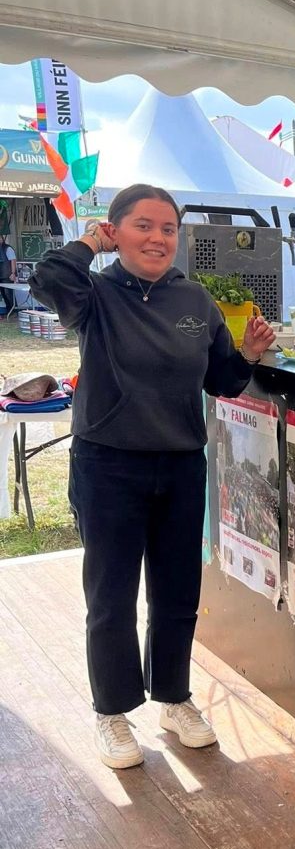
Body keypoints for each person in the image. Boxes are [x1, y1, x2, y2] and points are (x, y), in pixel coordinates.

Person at [29, 183, 274, 770]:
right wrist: (91, 243)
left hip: (182, 466)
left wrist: (248, 354)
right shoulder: (94, 294)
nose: (158, 238)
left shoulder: (195, 300)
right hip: (108, 465)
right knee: (110, 596)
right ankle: (112, 712)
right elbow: (48, 278)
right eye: (142, 225)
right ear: (115, 232)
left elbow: (220, 381)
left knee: (177, 593)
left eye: (168, 229)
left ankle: (173, 698)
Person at [0, 234, 17, 315]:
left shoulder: (7, 248)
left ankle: (13, 311)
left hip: (7, 275)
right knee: (3, 294)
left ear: (2, 239)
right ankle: (9, 311)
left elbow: (13, 260)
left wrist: (13, 273)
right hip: (1, 275)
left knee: (8, 294)